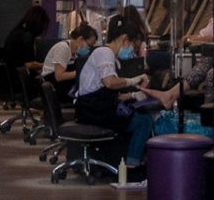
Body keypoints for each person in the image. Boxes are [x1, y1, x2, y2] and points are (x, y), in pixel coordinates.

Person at [72, 14, 160, 183]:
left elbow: (108, 91)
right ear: (125, 39)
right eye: (133, 46)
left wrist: (133, 95)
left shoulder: (108, 55)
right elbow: (110, 82)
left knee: (136, 116)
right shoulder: (105, 53)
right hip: (93, 111)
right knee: (144, 121)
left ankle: (127, 162)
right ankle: (131, 167)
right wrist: (132, 80)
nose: (132, 52)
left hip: (94, 108)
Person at [41, 22, 97, 91]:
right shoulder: (63, 48)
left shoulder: (75, 53)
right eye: (89, 45)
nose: (89, 49)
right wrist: (80, 72)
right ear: (80, 39)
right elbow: (59, 76)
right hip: (52, 83)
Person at [2, 5, 50, 74]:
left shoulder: (17, 31)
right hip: (18, 74)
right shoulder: (27, 36)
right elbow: (29, 64)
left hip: (10, 72)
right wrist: (48, 65)